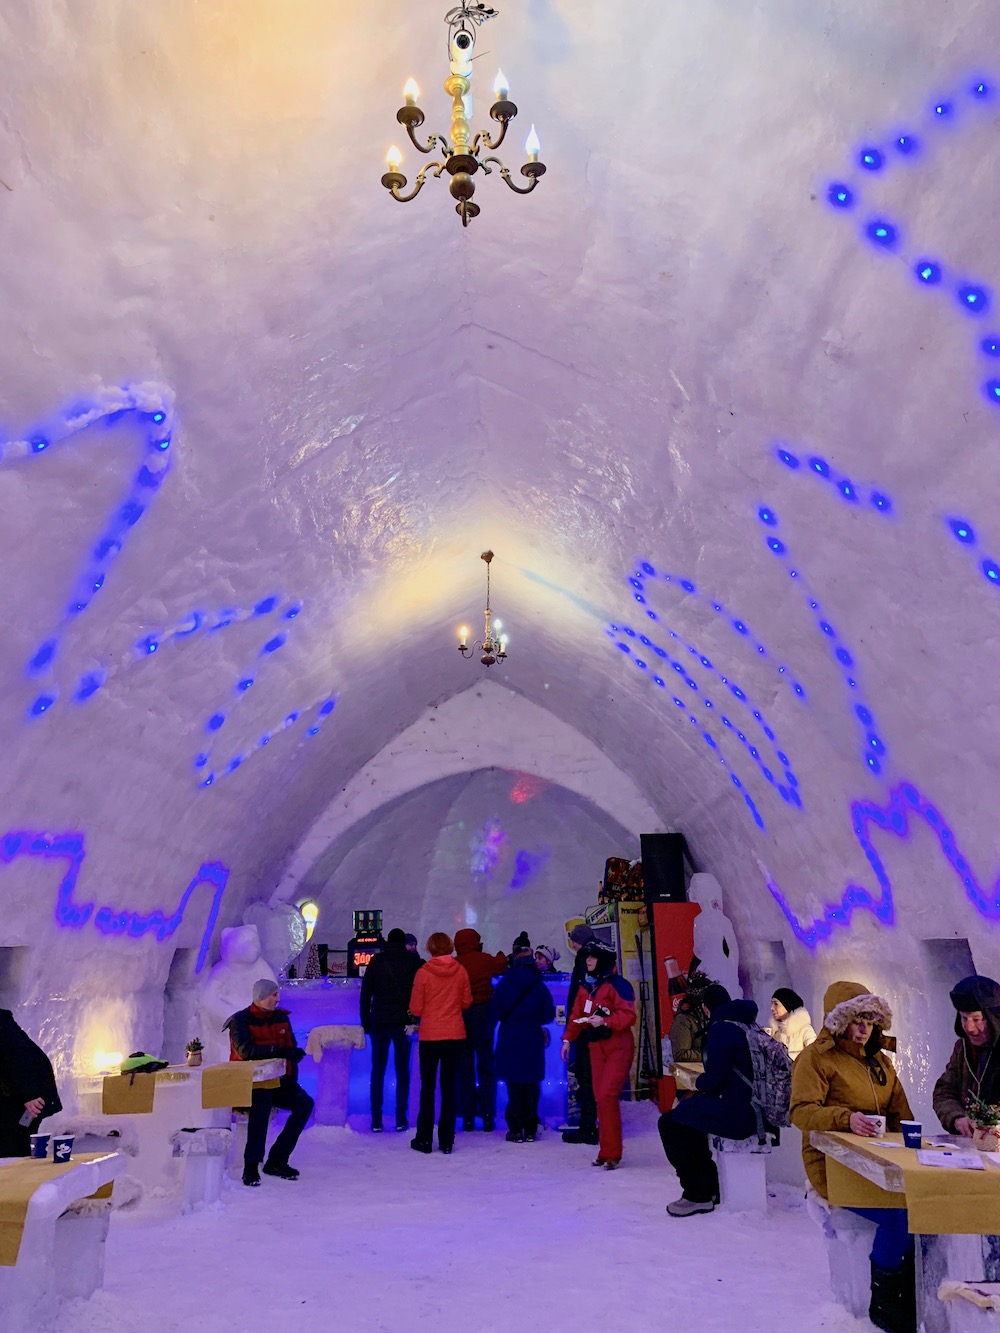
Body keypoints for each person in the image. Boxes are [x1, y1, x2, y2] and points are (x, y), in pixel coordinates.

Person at [790, 982, 914, 1333]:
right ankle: (886, 1299)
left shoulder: (881, 1063)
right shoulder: (816, 1059)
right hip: (834, 1165)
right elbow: (800, 1112)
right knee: (898, 1214)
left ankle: (909, 1290)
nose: (864, 1029)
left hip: (880, 1162)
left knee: (922, 1203)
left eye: (870, 1021)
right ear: (839, 1021)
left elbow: (901, 1115)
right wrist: (846, 1119)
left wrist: (913, 1140)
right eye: (856, 1020)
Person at [658, 983, 758, 1215]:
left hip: (739, 1112)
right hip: (751, 1106)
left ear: (705, 1008)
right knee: (689, 1117)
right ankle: (709, 1186)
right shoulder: (745, 1022)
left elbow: (715, 1077)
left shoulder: (722, 1029)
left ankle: (697, 1193)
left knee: (671, 1123)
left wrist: (698, 1082)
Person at [225, 978, 314, 1187]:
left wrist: (291, 1074)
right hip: (249, 1083)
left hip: (278, 1082)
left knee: (304, 1104)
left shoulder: (281, 1018)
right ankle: (251, 1166)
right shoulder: (240, 1021)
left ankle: (277, 1159)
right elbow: (245, 1051)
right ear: (261, 997)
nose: (278, 998)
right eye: (274, 995)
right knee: (262, 1103)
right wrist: (278, 1050)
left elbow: (290, 1047)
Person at [560, 941, 636, 1169]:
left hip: (617, 1047)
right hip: (596, 1047)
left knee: (607, 1095)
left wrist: (605, 1020)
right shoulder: (587, 987)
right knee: (600, 1097)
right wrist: (567, 1038)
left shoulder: (618, 985)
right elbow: (578, 1015)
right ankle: (607, 1152)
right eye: (587, 958)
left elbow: (628, 1015)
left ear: (602, 959)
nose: (588, 961)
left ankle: (612, 1152)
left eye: (592, 957)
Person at [408, 933, 473, 1154]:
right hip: (455, 1035)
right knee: (449, 1088)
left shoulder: (423, 973)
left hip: (430, 1037)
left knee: (427, 1088)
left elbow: (416, 1008)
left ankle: (424, 1139)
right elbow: (467, 1002)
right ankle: (447, 1140)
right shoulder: (461, 971)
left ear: (430, 948)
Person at [360, 927, 423, 1132]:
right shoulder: (413, 961)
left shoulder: (377, 961)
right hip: (403, 1022)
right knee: (402, 1070)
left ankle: (376, 1119)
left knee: (378, 1069)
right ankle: (400, 1117)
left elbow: (365, 994)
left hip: (379, 1021)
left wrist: (366, 1022)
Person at [492, 943, 555, 1142]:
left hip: (510, 1038)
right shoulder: (540, 986)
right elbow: (548, 1015)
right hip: (532, 1039)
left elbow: (496, 1012)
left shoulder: (504, 984)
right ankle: (530, 1128)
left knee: (514, 1085)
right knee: (531, 1085)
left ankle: (516, 1128)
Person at [933, 974, 1000, 1136]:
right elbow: (944, 1090)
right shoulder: (962, 1048)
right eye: (964, 1018)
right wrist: (957, 1118)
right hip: (971, 1143)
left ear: (994, 1019)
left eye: (977, 1019)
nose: (969, 1028)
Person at [454, 928, 507, 1132]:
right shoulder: (484, 959)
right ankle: (487, 1115)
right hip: (484, 1014)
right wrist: (502, 954)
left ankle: (467, 1116)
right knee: (485, 1065)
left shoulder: (456, 964)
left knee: (464, 1067)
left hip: (461, 1015)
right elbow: (501, 964)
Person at [0, 1008, 62, 1157]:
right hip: (14, 1094)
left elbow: (17, 1054)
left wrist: (29, 1094)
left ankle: (19, 1178)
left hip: (22, 1096)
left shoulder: (2, 1024)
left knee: (12, 1146)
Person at [561, 923, 600, 1145]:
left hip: (586, 1028)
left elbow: (583, 995)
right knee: (593, 1078)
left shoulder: (585, 959)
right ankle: (594, 1125)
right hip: (595, 1027)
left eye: (574, 940)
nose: (572, 944)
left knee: (586, 1077)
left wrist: (577, 1021)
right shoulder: (599, 956)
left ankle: (587, 1128)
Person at [668, 969, 716, 1063]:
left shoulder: (711, 1015)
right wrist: (709, 1054)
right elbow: (681, 1055)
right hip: (693, 1074)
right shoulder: (683, 1020)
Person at [767, 986, 817, 1059]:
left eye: (776, 1004)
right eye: (771, 1004)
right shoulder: (774, 1033)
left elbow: (815, 1055)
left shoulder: (805, 1030)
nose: (772, 1008)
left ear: (787, 1005)